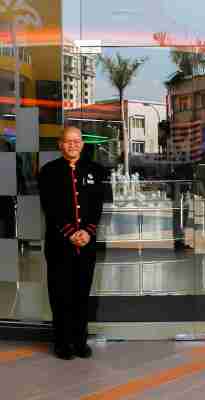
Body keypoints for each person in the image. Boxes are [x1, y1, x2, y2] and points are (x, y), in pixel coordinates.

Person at [39, 126, 106, 360]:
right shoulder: (48, 171)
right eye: (68, 141)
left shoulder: (96, 170)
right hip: (59, 244)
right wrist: (70, 232)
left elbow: (98, 205)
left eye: (76, 141)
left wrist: (87, 232)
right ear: (60, 144)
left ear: (82, 144)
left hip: (86, 244)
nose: (72, 145)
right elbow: (50, 207)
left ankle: (80, 341)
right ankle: (62, 343)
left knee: (81, 293)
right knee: (60, 294)